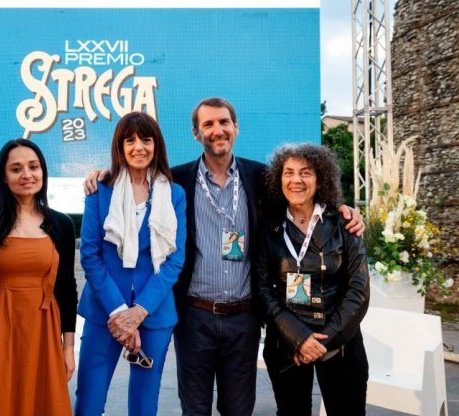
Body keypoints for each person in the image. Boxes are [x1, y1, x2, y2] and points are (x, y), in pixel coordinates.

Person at [84, 97, 364, 415]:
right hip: (195, 317)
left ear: (235, 127)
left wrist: (342, 210)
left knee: (238, 409)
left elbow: (302, 197)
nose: (217, 130)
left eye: (223, 122)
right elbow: (135, 178)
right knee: (195, 409)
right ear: (196, 133)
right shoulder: (176, 181)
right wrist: (104, 174)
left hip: (243, 317)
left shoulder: (261, 178)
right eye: (208, 124)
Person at [75, 111, 187, 415]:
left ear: (156, 145)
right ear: (120, 147)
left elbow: (175, 260)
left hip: (154, 313)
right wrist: (119, 313)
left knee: (144, 404)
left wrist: (139, 311)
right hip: (104, 312)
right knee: (89, 401)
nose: (139, 147)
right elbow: (90, 255)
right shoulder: (100, 190)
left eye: (146, 140)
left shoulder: (174, 194)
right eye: (130, 140)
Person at [0, 139, 77, 416]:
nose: (27, 175)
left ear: (43, 172)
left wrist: (68, 347)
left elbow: (67, 290)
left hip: (43, 332)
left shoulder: (61, 225)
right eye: (16, 168)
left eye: (33, 167)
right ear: (3, 176)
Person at [255, 143, 369, 415]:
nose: (296, 180)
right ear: (279, 179)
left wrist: (322, 342)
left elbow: (359, 290)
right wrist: (299, 338)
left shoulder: (344, 224)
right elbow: (261, 288)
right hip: (286, 345)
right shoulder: (268, 227)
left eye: (305, 172)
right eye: (289, 172)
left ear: (320, 179)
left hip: (341, 345)